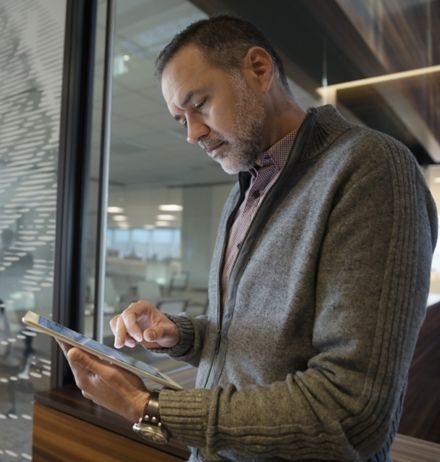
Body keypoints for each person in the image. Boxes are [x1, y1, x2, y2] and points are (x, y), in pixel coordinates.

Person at [60, 15, 437, 462]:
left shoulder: (371, 168)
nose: (192, 134)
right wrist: (176, 334)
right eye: (180, 119)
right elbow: (261, 344)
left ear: (259, 69)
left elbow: (351, 411)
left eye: (198, 104)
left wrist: (150, 408)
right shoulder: (245, 192)